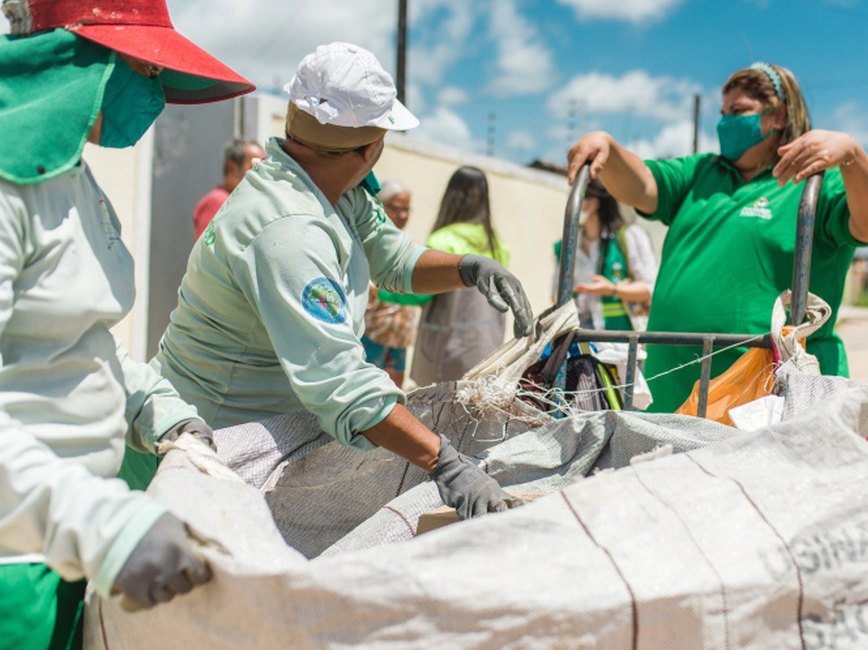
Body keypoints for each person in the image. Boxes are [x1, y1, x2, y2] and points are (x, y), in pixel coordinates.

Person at [152, 43, 533, 522]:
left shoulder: (331, 190)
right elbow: (342, 384)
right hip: (216, 444)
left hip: (271, 427)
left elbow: (395, 259)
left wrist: (468, 268)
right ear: (371, 148)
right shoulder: (287, 230)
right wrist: (448, 464)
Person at [0, 0, 255, 644]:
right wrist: (103, 523)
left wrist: (156, 408)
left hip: (68, 542)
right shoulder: (9, 186)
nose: (157, 93)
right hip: (15, 560)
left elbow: (80, 345)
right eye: (142, 70)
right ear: (76, 59)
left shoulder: (77, 180)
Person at [566, 61, 868, 412]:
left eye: (738, 112)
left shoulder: (815, 183)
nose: (725, 122)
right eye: (723, 112)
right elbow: (643, 185)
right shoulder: (701, 174)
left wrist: (853, 157)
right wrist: (608, 148)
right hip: (674, 387)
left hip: (768, 395)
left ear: (779, 116)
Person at [410, 166, 512, 385]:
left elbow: (419, 293)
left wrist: (382, 292)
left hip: (444, 354)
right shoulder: (498, 247)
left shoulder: (442, 240)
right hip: (486, 351)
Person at [553, 178, 657, 331]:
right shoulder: (566, 245)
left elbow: (650, 288)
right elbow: (556, 294)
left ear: (594, 202)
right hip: (580, 342)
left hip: (621, 344)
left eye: (580, 197)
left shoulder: (629, 237)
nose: (574, 205)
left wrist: (614, 290)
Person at [361, 179, 424, 387]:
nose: (403, 215)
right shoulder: (368, 240)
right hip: (371, 334)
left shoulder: (408, 243)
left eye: (407, 210)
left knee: (394, 393)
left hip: (399, 338)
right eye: (397, 209)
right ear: (381, 205)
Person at [192, 138, 265, 240]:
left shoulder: (241, 200)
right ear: (231, 167)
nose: (260, 172)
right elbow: (208, 249)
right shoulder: (218, 202)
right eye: (253, 165)